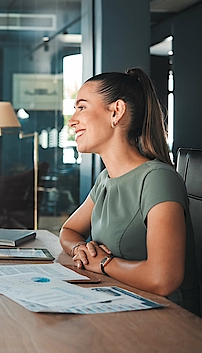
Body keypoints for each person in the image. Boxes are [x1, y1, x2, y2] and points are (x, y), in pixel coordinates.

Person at [59, 67, 199, 314]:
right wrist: (80, 249)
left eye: (81, 107)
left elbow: (163, 278)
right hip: (116, 301)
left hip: (165, 319)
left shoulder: (158, 179)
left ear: (116, 111)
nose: (72, 121)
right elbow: (69, 231)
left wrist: (102, 263)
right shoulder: (105, 179)